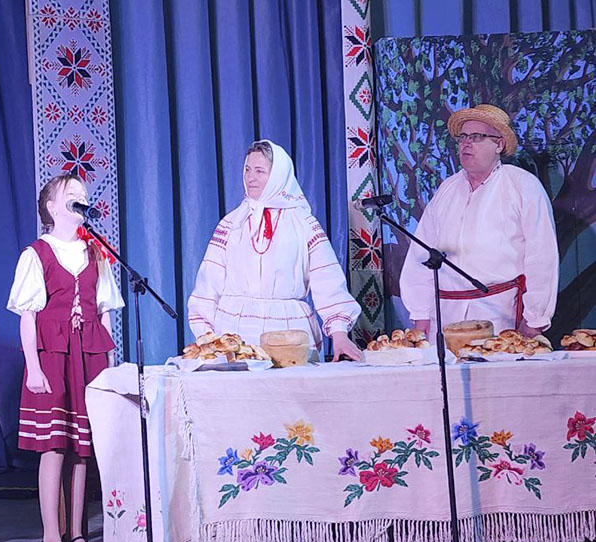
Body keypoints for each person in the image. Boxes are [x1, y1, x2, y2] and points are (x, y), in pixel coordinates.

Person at [8, 173, 123, 542]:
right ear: (52, 207)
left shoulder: (97, 253)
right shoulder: (37, 254)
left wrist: (108, 365)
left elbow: (104, 313)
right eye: (69, 193)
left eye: (82, 194)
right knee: (54, 446)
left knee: (82, 448)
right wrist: (33, 368)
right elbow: (27, 316)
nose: (79, 196)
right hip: (52, 356)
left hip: (88, 356)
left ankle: (76, 534)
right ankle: (51, 538)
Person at [187, 140, 362, 362]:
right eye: (248, 169)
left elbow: (328, 281)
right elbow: (208, 284)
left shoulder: (304, 224)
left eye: (259, 171)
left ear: (279, 176)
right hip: (235, 332)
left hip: (290, 333)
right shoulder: (231, 224)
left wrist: (339, 334)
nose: (251, 177)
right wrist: (206, 336)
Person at [400, 104, 558, 335]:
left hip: (498, 315)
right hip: (443, 317)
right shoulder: (447, 189)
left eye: (477, 137)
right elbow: (421, 252)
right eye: (463, 137)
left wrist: (535, 318)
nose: (467, 143)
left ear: (499, 144)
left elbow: (542, 255)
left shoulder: (522, 185)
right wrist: (420, 314)